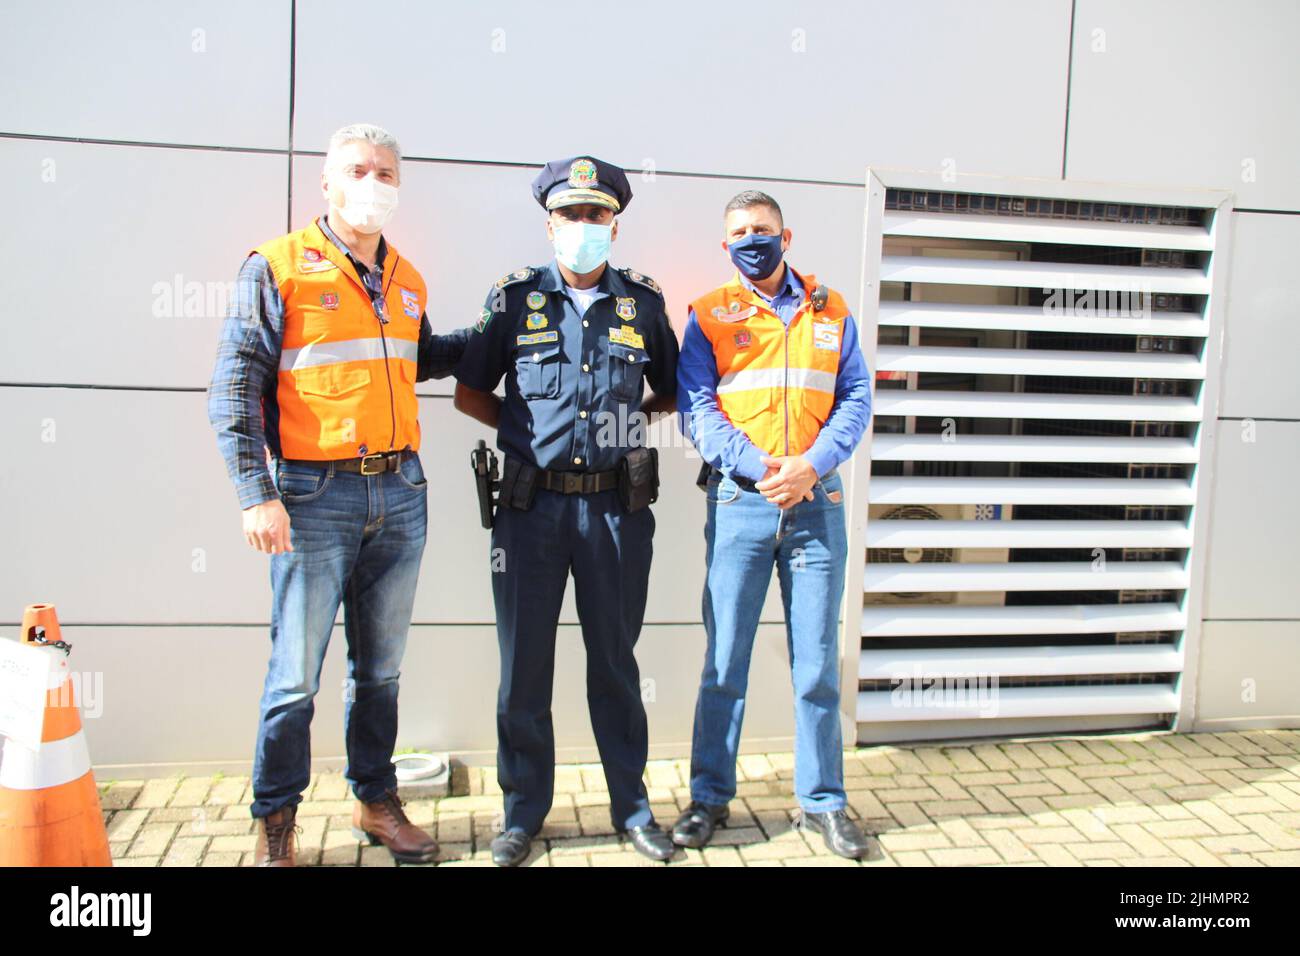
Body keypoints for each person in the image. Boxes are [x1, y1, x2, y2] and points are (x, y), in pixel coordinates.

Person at [207, 123, 469, 866]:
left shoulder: (408, 278)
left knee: (380, 670)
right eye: (357, 169)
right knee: (295, 674)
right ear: (325, 182)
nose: (373, 182)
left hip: (400, 491)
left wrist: (493, 333)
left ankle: (373, 800)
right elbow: (234, 388)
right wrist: (256, 493)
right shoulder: (278, 266)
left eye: (386, 171)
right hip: (313, 495)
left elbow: (407, 363)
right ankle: (276, 822)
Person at [453, 156, 680, 866]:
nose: (585, 227)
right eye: (571, 215)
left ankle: (632, 809)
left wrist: (619, 432)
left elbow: (668, 390)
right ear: (549, 223)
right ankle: (522, 814)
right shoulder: (515, 298)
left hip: (616, 512)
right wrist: (527, 434)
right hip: (530, 513)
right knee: (524, 665)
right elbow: (470, 391)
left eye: (597, 215)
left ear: (615, 223)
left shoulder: (641, 304)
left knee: (614, 662)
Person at [672, 189, 875, 859]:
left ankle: (825, 803)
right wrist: (763, 468)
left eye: (763, 229)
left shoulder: (832, 310)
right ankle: (708, 798)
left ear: (786, 240)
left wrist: (811, 465)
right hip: (743, 501)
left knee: (816, 663)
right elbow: (697, 409)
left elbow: (855, 399)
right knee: (725, 658)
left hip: (817, 504)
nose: (751, 239)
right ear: (724, 245)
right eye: (739, 231)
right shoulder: (708, 314)